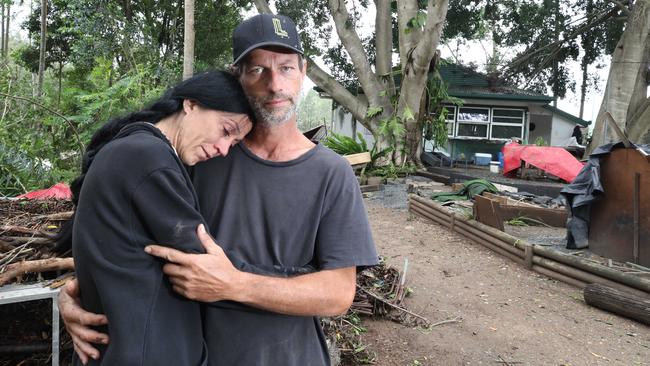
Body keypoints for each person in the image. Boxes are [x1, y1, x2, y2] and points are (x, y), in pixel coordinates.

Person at [59, 13, 379, 366]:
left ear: (302, 73)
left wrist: (236, 284)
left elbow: (338, 293)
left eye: (286, 68)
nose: (275, 85)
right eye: (258, 69)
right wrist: (81, 291)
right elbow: (129, 238)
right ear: (237, 76)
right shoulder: (198, 156)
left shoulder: (332, 174)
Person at [59, 71, 259, 365]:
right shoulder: (150, 159)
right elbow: (207, 264)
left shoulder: (133, 149)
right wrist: (297, 281)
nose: (224, 149)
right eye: (226, 130)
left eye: (235, 143)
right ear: (191, 104)